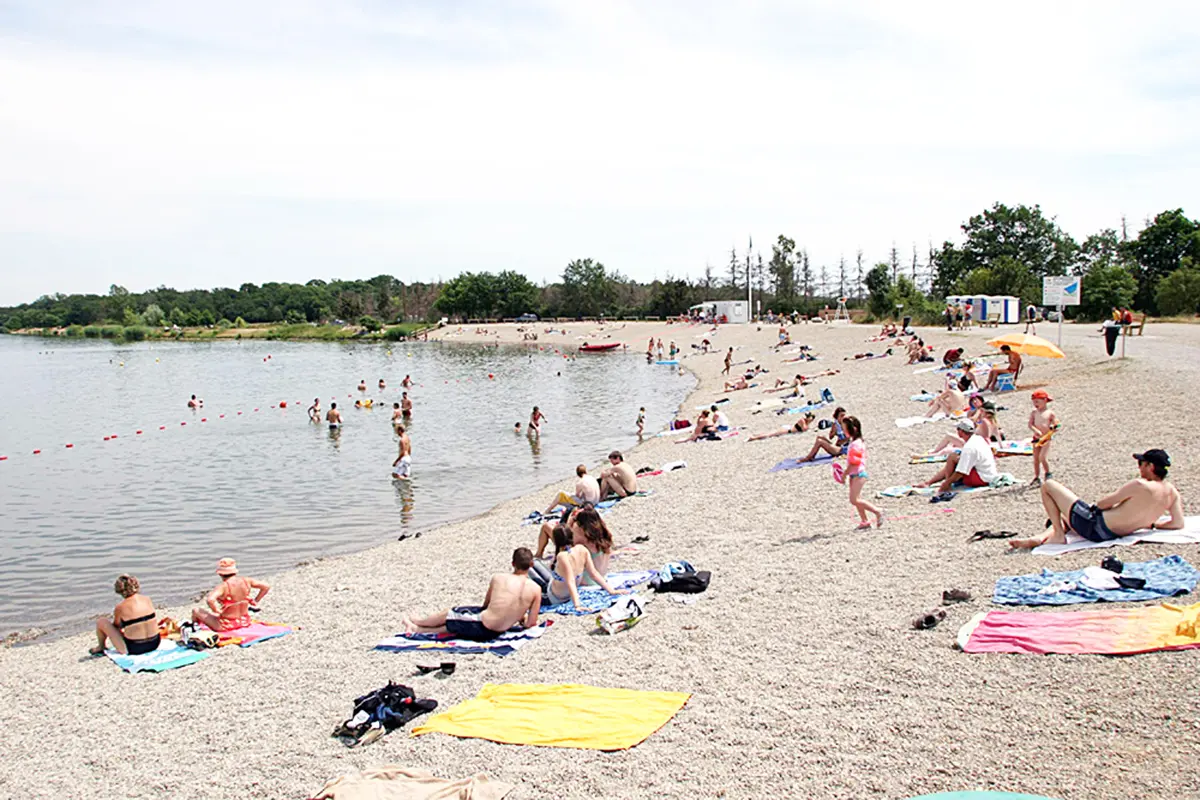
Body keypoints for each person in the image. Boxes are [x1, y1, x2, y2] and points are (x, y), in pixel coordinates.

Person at [1011, 450, 1184, 549]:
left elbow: (1103, 504)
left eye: (1141, 464)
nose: (1139, 468)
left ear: (1150, 466)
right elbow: (1178, 523)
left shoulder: (1140, 485)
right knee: (1065, 517)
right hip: (1114, 533)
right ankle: (1040, 538)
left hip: (1093, 526)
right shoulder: (1172, 493)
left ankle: (1057, 534)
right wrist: (1153, 524)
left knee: (1049, 486)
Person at [402, 548, 542, 641]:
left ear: (513, 563)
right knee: (457, 622)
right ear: (531, 564)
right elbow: (531, 623)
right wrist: (520, 617)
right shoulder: (536, 589)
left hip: (485, 627)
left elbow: (485, 605)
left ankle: (419, 623)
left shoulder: (499, 578)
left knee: (450, 613)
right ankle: (418, 628)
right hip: (498, 630)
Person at [533, 514, 627, 610]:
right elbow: (594, 574)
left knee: (532, 564)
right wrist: (611, 590)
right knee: (535, 564)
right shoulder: (582, 549)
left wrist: (577, 605)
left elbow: (570, 580)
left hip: (554, 597)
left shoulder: (562, 556)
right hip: (556, 587)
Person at [915, 420, 999, 494]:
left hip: (982, 478)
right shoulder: (978, 439)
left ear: (961, 431)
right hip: (988, 475)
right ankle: (928, 483)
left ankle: (944, 484)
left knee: (952, 457)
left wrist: (947, 483)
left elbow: (961, 472)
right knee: (954, 459)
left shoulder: (969, 447)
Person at [191, 559, 270, 632]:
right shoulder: (246, 581)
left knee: (196, 610)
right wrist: (255, 600)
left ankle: (195, 628)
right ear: (235, 572)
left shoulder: (223, 586)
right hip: (244, 622)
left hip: (226, 625)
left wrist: (216, 610)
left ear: (220, 574)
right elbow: (266, 586)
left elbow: (210, 600)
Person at [90, 574, 160, 656]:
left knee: (102, 621)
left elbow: (116, 626)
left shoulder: (120, 607)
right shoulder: (147, 599)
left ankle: (101, 647)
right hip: (155, 643)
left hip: (135, 648)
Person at [842, 416, 884, 530]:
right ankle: (864, 521)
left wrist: (844, 473)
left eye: (845, 428)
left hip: (858, 474)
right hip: (854, 474)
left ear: (853, 429)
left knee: (854, 499)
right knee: (857, 499)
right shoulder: (854, 442)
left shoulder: (856, 444)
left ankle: (877, 511)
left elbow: (854, 462)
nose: (843, 431)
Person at [1028, 389, 1059, 486]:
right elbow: (1030, 424)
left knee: (1042, 457)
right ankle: (1036, 477)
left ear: (1045, 400)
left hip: (1046, 437)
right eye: (1034, 402)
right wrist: (1035, 430)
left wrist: (1053, 427)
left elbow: (1056, 423)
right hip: (1036, 438)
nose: (1035, 404)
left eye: (1037, 401)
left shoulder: (1050, 413)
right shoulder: (1034, 413)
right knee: (1036, 458)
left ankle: (1048, 473)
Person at [749, 412, 815, 441]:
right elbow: (804, 429)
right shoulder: (802, 421)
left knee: (771, 433)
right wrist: (809, 423)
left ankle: (755, 436)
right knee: (770, 434)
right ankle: (754, 437)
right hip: (787, 430)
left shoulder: (805, 422)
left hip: (788, 429)